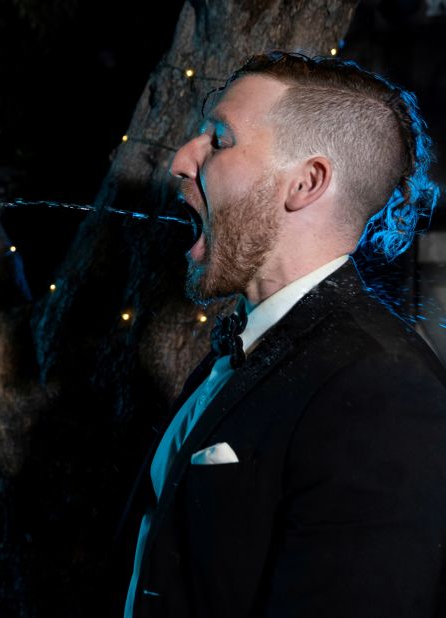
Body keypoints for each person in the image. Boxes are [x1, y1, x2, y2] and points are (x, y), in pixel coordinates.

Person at [122, 52, 446, 616]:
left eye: (219, 141)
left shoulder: (384, 389)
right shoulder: (244, 346)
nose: (180, 160)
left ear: (306, 182)